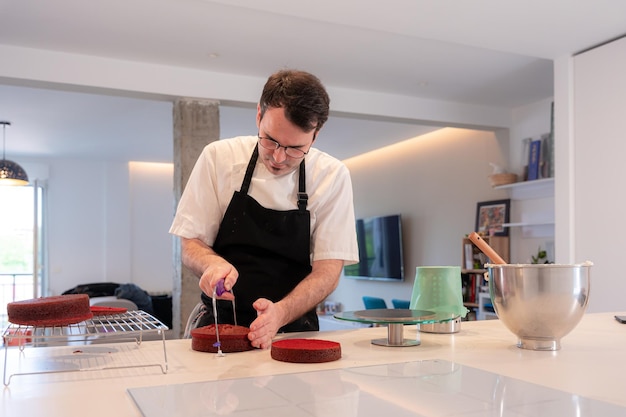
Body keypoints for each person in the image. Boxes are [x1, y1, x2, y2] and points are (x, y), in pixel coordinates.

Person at [169, 69, 359, 349]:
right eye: (270, 140)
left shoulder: (332, 176)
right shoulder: (218, 158)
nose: (279, 158)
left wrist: (280, 313)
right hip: (220, 328)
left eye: (295, 149)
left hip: (294, 333)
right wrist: (212, 264)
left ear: (315, 136)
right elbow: (190, 244)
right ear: (259, 115)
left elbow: (328, 270)